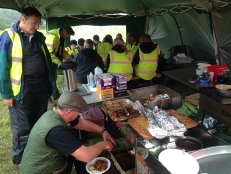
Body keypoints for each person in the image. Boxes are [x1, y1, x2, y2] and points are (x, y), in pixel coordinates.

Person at [0, 7, 54, 166]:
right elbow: (3, 67)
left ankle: (37, 153)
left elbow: (47, 62)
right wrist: (7, 94)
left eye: (39, 23)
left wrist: (51, 86)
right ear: (23, 20)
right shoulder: (8, 37)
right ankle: (21, 160)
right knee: (23, 125)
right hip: (22, 88)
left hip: (41, 86)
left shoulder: (39, 37)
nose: (37, 26)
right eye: (34, 23)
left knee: (40, 121)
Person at [20, 91, 116, 174]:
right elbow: (86, 156)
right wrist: (103, 144)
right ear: (69, 112)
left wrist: (103, 130)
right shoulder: (57, 131)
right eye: (79, 112)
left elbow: (81, 123)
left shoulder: (55, 114)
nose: (80, 114)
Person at [45, 26, 75, 101]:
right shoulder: (53, 36)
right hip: (48, 61)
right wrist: (59, 63)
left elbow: (61, 51)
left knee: (53, 77)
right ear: (64, 33)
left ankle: (55, 93)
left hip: (54, 61)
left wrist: (69, 58)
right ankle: (48, 98)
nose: (68, 37)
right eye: (68, 35)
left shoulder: (61, 37)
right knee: (49, 78)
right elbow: (48, 53)